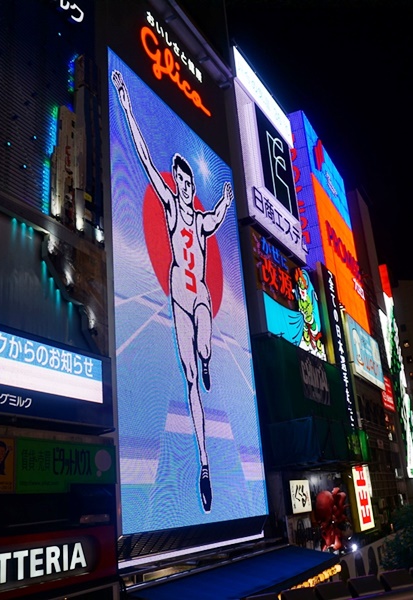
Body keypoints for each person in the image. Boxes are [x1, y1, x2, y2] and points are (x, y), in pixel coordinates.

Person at [112, 70, 233, 513]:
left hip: (199, 296)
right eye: (179, 181)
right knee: (190, 382)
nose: (183, 187)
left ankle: (207, 356)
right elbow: (144, 158)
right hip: (178, 297)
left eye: (187, 183)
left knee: (203, 343)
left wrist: (227, 201)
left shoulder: (198, 220)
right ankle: (204, 465)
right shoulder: (169, 206)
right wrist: (127, 105)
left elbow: (217, 217)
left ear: (191, 187)